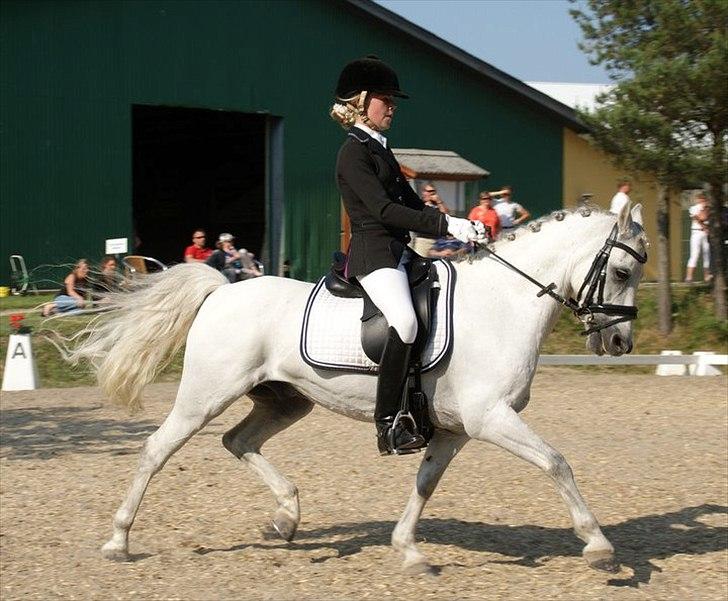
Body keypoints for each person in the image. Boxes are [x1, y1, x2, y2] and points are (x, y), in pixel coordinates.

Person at [330, 55, 486, 455]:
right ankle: (388, 425)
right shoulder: (353, 153)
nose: (393, 106)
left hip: (400, 252)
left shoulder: (381, 151)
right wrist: (445, 226)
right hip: (374, 253)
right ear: (361, 102)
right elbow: (383, 211)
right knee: (404, 322)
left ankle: (423, 403)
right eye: (385, 99)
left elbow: (413, 206)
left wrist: (459, 223)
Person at [685, 191, 711, 282]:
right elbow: (700, 218)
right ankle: (689, 277)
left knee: (707, 255)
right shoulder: (693, 208)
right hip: (696, 233)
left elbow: (705, 217)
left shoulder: (708, 208)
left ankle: (707, 276)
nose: (702, 201)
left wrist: (705, 209)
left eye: (704, 199)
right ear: (698, 200)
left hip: (705, 233)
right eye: (701, 199)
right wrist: (704, 225)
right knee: (694, 255)